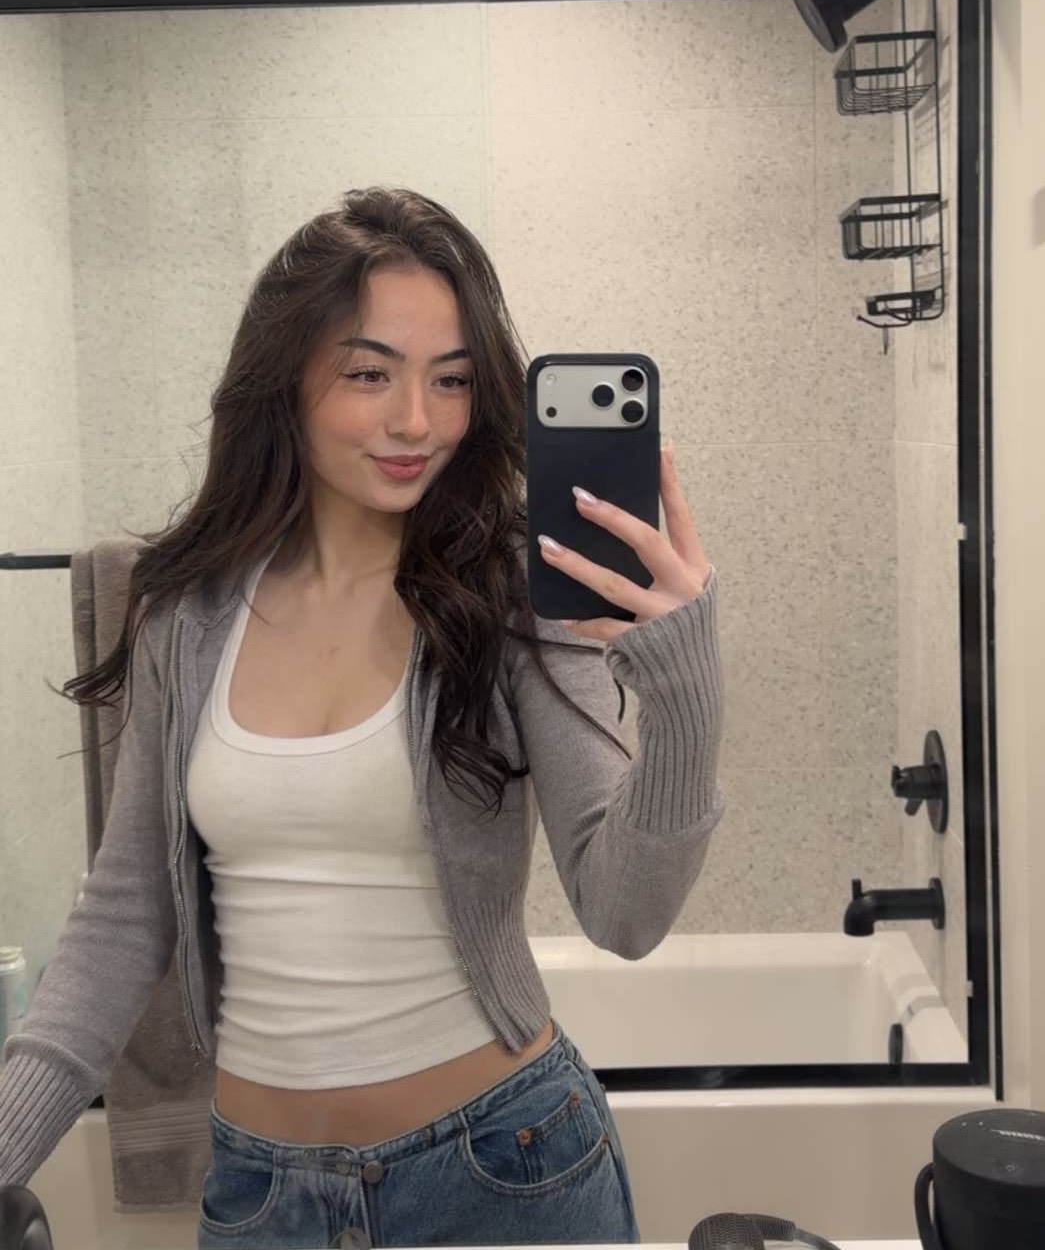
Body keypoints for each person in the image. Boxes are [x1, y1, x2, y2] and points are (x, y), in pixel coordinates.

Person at [0, 187, 723, 1249]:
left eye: (451, 380)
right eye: (370, 373)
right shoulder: (186, 615)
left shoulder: (509, 596)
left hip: (502, 1172)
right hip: (258, 1195)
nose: (417, 421)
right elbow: (121, 921)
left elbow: (626, 912)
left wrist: (684, 692)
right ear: (286, 379)